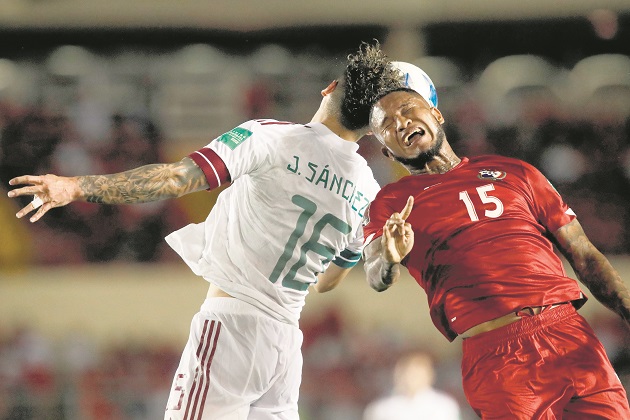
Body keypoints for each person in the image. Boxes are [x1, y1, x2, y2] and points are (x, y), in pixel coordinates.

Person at [7, 43, 405, 420]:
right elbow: (329, 282)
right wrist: (386, 258)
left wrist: (75, 187)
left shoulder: (272, 137)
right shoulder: (368, 192)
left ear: (329, 88)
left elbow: (179, 179)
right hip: (285, 347)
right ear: (372, 127)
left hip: (232, 325)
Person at [362, 62, 630, 418]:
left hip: (569, 333)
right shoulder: (391, 203)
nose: (401, 123)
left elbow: (585, 254)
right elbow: (375, 273)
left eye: (408, 110)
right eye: (388, 126)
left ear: (436, 114)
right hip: (498, 357)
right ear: (387, 152)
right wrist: (390, 257)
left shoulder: (517, 172)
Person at [363, 350, 460, 420]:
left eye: (417, 373)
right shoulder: (380, 408)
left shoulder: (444, 406)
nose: (411, 377)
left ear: (429, 375)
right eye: (406, 371)